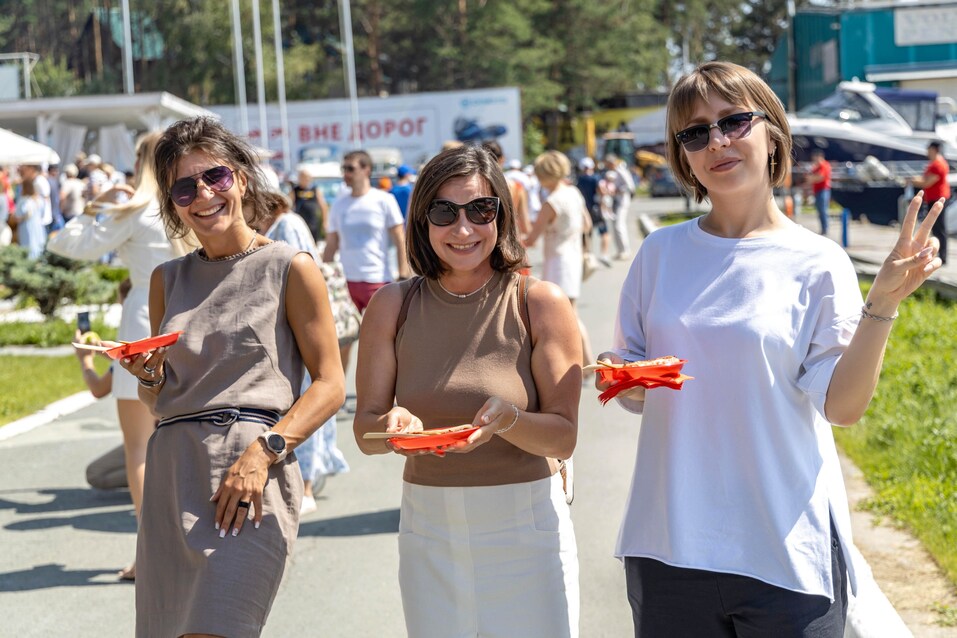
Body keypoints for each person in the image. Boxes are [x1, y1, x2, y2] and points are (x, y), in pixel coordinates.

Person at [597, 60, 943, 637]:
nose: (717, 142)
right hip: (669, 544)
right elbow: (632, 388)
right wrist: (620, 376)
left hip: (784, 551)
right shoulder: (658, 253)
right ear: (682, 154)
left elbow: (842, 407)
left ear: (772, 133)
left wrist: (880, 305)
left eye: (733, 121)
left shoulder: (817, 260)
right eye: (695, 132)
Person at [120, 116, 344, 637]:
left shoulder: (290, 266)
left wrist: (265, 450)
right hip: (171, 476)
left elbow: (330, 384)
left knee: (220, 628)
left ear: (241, 178)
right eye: (183, 187)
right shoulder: (166, 279)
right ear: (172, 202)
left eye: (215, 177)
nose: (203, 195)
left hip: (246, 477)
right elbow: (160, 399)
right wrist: (148, 376)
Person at [354, 144, 582, 637]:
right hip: (430, 528)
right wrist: (391, 428)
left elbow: (563, 438)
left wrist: (511, 422)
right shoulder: (392, 305)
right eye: (443, 212)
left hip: (526, 526)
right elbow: (365, 433)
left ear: (501, 213)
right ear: (421, 221)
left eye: (481, 210)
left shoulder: (539, 301)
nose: (463, 229)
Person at [48, 131, 190, 581]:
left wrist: (95, 204)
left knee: (140, 447)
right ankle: (190, 544)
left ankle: (152, 551)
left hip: (141, 330)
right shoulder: (189, 207)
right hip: (190, 328)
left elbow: (65, 244)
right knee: (186, 441)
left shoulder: (135, 209)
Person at [256, 191, 351, 515]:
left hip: (302, 327)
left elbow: (306, 275)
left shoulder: (288, 225)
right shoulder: (280, 225)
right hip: (290, 328)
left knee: (311, 399)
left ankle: (307, 485)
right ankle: (305, 482)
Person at [322, 149, 410, 376]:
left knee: (381, 343)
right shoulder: (340, 204)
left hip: (378, 281)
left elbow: (399, 238)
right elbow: (332, 243)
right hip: (347, 283)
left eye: (350, 168)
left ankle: (388, 394)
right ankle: (337, 398)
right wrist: (322, 276)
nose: (346, 174)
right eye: (344, 169)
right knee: (342, 341)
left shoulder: (383, 199)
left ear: (366, 170)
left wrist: (403, 272)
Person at [525, 150, 594, 370]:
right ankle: (585, 360)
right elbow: (587, 224)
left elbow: (532, 238)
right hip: (573, 256)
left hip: (558, 261)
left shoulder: (551, 203)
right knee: (571, 311)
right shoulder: (573, 192)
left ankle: (586, 361)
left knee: (567, 313)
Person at [909, 140, 950, 264]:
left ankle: (942, 257)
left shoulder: (938, 164)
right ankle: (938, 254)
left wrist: (911, 181)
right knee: (935, 228)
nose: (927, 151)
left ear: (934, 150)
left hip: (939, 199)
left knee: (939, 229)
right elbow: (925, 179)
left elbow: (927, 182)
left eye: (929, 149)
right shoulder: (933, 164)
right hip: (933, 198)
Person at [576, 156, 610, 266]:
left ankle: (586, 255)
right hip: (596, 210)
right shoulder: (596, 178)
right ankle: (604, 254)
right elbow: (602, 191)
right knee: (604, 232)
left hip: (584, 210)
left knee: (586, 234)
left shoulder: (579, 179)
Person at [603, 153, 635, 260]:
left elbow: (630, 187)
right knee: (615, 225)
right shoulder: (612, 172)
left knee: (619, 225)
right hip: (615, 201)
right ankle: (620, 250)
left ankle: (625, 250)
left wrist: (618, 190)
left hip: (622, 201)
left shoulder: (621, 171)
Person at [12, 176, 46, 258]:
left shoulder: (23, 201)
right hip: (38, 226)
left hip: (27, 227)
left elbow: (17, 217)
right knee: (38, 247)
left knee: (28, 248)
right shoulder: (39, 200)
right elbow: (43, 214)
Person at [291, 168, 328, 241]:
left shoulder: (315, 189)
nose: (306, 179)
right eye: (303, 177)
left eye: (307, 177)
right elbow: (289, 205)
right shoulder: (295, 190)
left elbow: (323, 206)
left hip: (312, 222)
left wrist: (325, 221)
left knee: (313, 243)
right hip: (300, 222)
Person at [806, 148, 832, 235]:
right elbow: (809, 178)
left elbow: (820, 177)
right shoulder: (815, 167)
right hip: (817, 191)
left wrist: (812, 178)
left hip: (823, 190)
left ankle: (825, 228)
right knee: (820, 211)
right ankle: (823, 228)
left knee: (823, 210)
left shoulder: (824, 165)